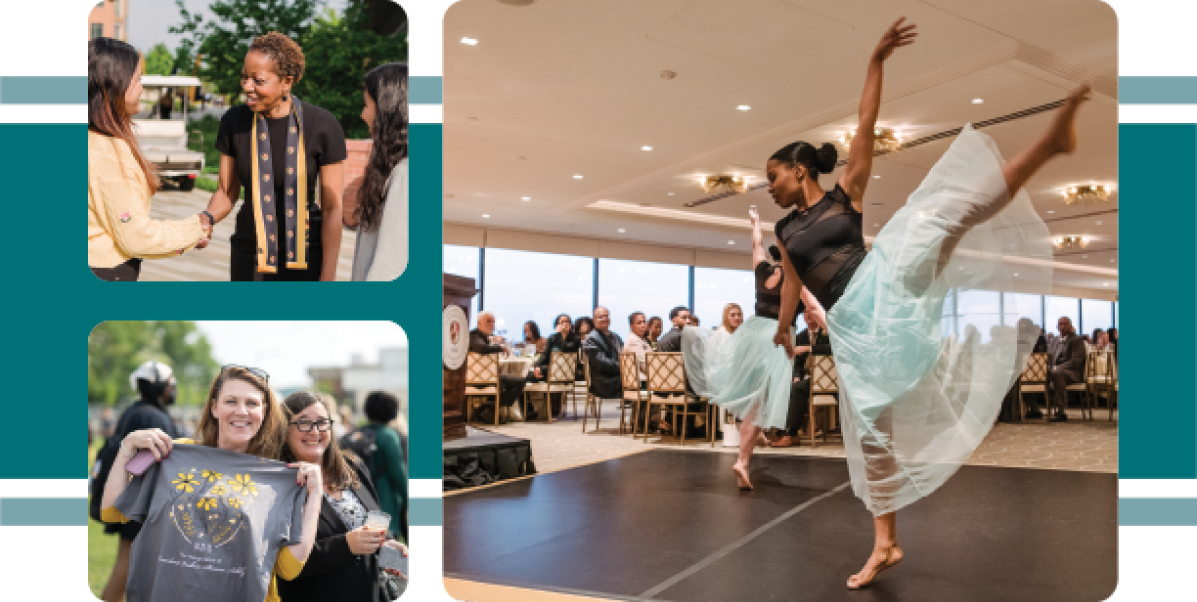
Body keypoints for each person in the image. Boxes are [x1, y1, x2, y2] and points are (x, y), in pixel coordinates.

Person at [768, 18, 1085, 589]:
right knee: (872, 435)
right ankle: (885, 543)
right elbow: (793, 281)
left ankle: (1046, 146)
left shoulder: (845, 196)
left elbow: (865, 125)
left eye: (773, 176)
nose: (769, 187)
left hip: (882, 281)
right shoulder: (783, 229)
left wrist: (876, 61)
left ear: (799, 170)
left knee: (949, 213)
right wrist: (783, 328)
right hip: (853, 328)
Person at [99, 366, 323, 602]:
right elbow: (111, 511)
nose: (241, 411)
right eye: (231, 401)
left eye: (252, 403)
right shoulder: (171, 454)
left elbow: (289, 567)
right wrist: (126, 448)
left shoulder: (277, 478)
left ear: (264, 411)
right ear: (215, 407)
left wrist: (315, 494)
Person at [203, 32, 347, 281]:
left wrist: (328, 277)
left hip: (306, 257)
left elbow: (333, 209)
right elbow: (226, 192)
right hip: (249, 254)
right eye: (244, 77)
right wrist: (206, 218)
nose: (248, 87)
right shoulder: (234, 121)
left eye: (258, 80)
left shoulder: (322, 125)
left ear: (287, 81)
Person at [88, 38, 212, 281]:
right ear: (116, 87)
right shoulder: (108, 154)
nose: (142, 89)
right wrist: (195, 228)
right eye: (137, 81)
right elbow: (136, 236)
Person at [276, 391, 407, 602]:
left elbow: (374, 520)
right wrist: (346, 546)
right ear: (284, 430)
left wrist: (388, 544)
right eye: (303, 423)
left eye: (321, 422)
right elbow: (284, 566)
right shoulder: (278, 485)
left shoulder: (352, 466)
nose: (314, 430)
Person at [708, 210, 811, 477]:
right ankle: (742, 460)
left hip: (753, 333)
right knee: (760, 403)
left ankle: (750, 446)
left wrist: (756, 222)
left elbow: (756, 245)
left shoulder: (762, 270)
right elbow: (814, 309)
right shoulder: (797, 279)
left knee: (756, 399)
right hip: (778, 336)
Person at [98, 362, 180, 602]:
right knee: (126, 572)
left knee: (125, 569)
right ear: (159, 386)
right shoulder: (155, 416)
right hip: (143, 505)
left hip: (129, 498)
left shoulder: (134, 410)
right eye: (171, 383)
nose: (173, 389)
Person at [350, 62, 409, 281]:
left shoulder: (405, 175)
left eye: (367, 105)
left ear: (387, 110)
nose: (363, 114)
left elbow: (389, 267)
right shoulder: (394, 171)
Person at [469, 311, 524, 422]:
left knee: (520, 381)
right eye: (488, 321)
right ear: (479, 323)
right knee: (517, 382)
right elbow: (482, 348)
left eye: (493, 321)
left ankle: (486, 409)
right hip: (478, 378)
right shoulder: (474, 335)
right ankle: (486, 410)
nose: (492, 324)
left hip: (488, 377)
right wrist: (500, 348)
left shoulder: (485, 337)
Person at [527, 314, 579, 419]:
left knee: (536, 375)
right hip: (550, 370)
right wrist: (537, 366)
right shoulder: (552, 338)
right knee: (530, 375)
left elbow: (566, 348)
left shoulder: (575, 338)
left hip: (567, 371)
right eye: (562, 322)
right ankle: (531, 409)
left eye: (567, 322)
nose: (565, 324)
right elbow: (545, 355)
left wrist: (560, 335)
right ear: (557, 324)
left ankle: (550, 410)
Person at [1047, 316, 1087, 422]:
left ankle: (1061, 412)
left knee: (1058, 373)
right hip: (1055, 370)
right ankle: (1033, 409)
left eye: (1065, 324)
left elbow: (1076, 361)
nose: (1063, 326)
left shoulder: (1077, 340)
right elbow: (1049, 357)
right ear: (1057, 326)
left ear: (1070, 326)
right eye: (1061, 324)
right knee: (1031, 375)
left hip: (1073, 373)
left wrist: (1057, 368)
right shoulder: (1055, 340)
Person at [583, 307, 624, 409]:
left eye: (606, 316)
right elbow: (601, 363)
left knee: (641, 380)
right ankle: (641, 420)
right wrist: (623, 367)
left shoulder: (615, 336)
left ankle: (641, 420)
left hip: (616, 376)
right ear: (594, 320)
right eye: (601, 317)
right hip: (603, 380)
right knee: (638, 383)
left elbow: (624, 355)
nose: (604, 319)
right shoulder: (592, 338)